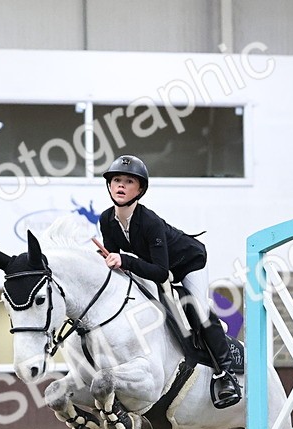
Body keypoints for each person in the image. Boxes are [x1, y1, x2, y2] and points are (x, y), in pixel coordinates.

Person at [97, 154, 242, 409]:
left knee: (197, 309)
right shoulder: (106, 220)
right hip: (154, 266)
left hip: (188, 263)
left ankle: (226, 375)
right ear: (109, 185)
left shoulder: (149, 222)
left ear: (140, 189)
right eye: (116, 180)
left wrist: (124, 261)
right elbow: (116, 262)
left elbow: (162, 273)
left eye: (129, 181)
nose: (120, 185)